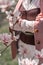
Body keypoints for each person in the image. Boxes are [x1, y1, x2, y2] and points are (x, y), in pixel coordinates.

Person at [9, 0, 40, 65]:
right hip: (23, 45)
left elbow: (40, 26)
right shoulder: (22, 1)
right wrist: (13, 22)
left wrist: (21, 24)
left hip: (38, 47)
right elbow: (13, 22)